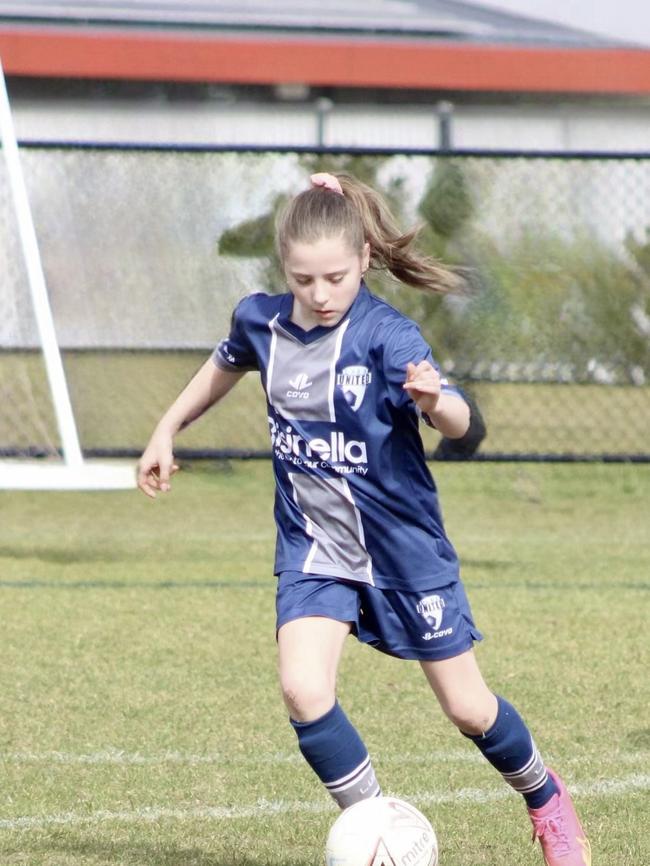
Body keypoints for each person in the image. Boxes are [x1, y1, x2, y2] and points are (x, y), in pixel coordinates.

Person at [137, 172, 591, 866]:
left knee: (469, 709)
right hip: (315, 546)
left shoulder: (386, 335)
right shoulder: (261, 321)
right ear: (283, 269)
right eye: (303, 279)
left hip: (403, 551)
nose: (319, 294)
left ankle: (546, 799)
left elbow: (467, 430)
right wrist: (167, 428)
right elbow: (223, 364)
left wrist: (438, 402)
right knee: (303, 687)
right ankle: (377, 829)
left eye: (335, 278)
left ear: (365, 262)